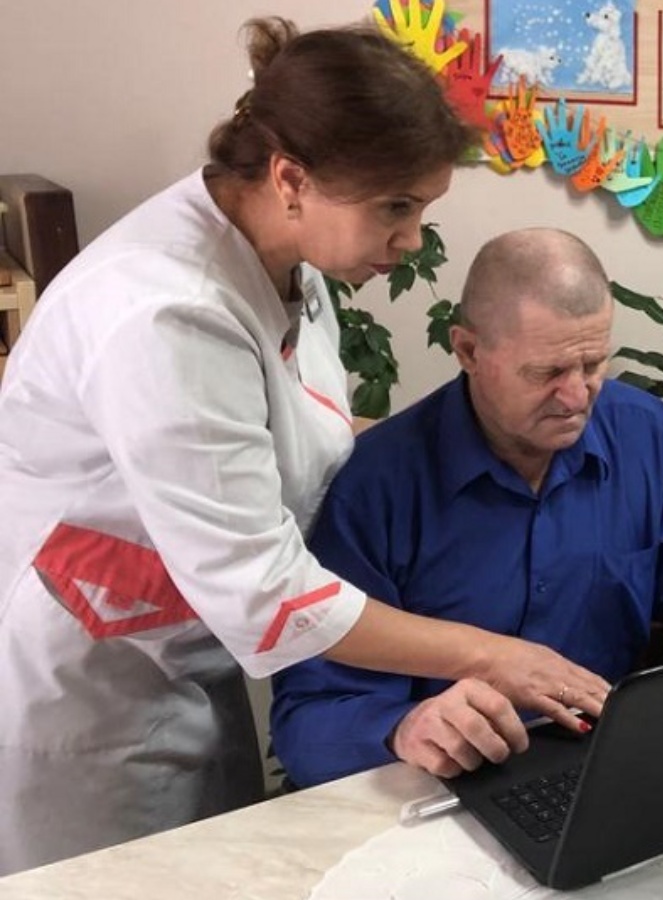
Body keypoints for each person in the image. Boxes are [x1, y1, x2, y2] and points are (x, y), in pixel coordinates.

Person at [0, 19, 600, 876]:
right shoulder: (165, 312)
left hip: (188, 654)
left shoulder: (287, 260)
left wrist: (440, 444)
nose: (411, 239)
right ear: (291, 178)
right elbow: (268, 592)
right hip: (94, 693)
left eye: (422, 208)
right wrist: (491, 652)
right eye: (396, 207)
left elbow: (286, 431)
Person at [270, 228, 663, 788]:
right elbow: (309, 717)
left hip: (604, 762)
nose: (576, 397)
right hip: (443, 785)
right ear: (468, 349)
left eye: (593, 364)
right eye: (546, 373)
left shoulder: (646, 435)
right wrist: (402, 728)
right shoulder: (379, 484)